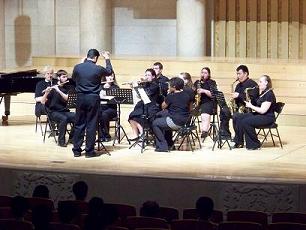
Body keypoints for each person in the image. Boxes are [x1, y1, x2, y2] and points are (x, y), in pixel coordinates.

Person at [72, 49, 113, 158]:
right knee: (91, 124)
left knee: (79, 124)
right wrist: (107, 58)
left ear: (87, 56)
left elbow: (73, 79)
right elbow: (109, 71)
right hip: (93, 98)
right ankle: (89, 151)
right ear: (95, 58)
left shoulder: (78, 67)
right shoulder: (98, 68)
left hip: (80, 98)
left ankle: (76, 150)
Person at [233, 75, 276, 150]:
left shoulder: (269, 94)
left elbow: (263, 111)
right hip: (261, 115)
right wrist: (250, 101)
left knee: (246, 121)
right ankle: (239, 142)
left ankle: (254, 144)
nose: (258, 84)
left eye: (260, 82)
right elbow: (258, 105)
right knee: (238, 116)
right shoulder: (263, 93)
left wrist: (250, 106)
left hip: (267, 117)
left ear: (266, 82)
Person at [152, 77, 193, 152]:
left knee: (155, 123)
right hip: (186, 122)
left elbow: (163, 106)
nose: (168, 87)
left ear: (174, 87)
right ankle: (170, 143)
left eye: (169, 85)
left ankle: (163, 146)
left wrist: (168, 95)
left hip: (176, 122)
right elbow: (191, 109)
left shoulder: (171, 96)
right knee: (164, 119)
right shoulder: (187, 95)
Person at [219, 65, 258, 138]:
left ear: (245, 74)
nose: (237, 76)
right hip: (238, 106)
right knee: (224, 110)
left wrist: (239, 95)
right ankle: (225, 133)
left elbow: (253, 98)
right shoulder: (238, 85)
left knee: (236, 116)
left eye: (239, 74)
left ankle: (238, 137)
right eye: (237, 74)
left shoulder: (252, 84)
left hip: (247, 108)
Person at [41, 69, 75, 147]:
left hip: (64, 111)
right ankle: (61, 141)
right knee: (64, 119)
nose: (66, 79)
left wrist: (58, 90)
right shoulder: (52, 88)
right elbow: (43, 102)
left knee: (77, 116)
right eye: (63, 77)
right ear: (59, 78)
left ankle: (72, 138)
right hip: (53, 112)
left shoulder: (68, 88)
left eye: (66, 77)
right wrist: (46, 93)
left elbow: (67, 98)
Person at [128, 68, 161, 140]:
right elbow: (139, 96)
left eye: (148, 75)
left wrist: (137, 86)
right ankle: (136, 134)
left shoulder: (155, 85)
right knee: (132, 116)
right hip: (144, 105)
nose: (146, 76)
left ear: (153, 76)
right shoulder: (146, 84)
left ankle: (142, 134)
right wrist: (135, 87)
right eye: (145, 75)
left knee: (137, 116)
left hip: (152, 106)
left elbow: (146, 93)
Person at [194, 67, 218, 139]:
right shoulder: (197, 82)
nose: (203, 74)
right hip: (198, 102)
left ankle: (204, 131)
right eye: (202, 72)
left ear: (209, 74)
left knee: (205, 109)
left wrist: (204, 91)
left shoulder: (212, 83)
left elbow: (213, 95)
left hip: (208, 102)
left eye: (205, 73)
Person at [99, 72, 119, 142]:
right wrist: (103, 88)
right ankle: (101, 135)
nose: (110, 77)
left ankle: (106, 135)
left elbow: (114, 100)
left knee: (104, 115)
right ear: (105, 77)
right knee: (96, 114)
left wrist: (108, 89)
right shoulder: (100, 86)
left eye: (111, 76)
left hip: (111, 109)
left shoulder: (115, 87)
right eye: (108, 76)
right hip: (101, 108)